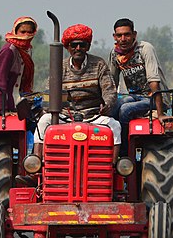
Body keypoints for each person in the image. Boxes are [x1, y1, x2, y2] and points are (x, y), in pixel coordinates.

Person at [33, 24, 121, 161]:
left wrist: (107, 104)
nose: (78, 49)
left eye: (82, 45)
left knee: (115, 126)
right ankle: (37, 165)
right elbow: (49, 94)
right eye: (74, 45)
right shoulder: (59, 67)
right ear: (68, 47)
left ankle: (113, 167)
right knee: (43, 122)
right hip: (66, 116)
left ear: (88, 46)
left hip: (92, 116)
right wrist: (53, 106)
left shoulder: (98, 64)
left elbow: (109, 91)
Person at [109, 18, 171, 155]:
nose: (123, 39)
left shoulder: (144, 49)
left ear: (134, 35)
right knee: (115, 107)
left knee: (126, 109)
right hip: (135, 96)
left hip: (155, 98)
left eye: (127, 34)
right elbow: (111, 83)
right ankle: (107, 150)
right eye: (119, 35)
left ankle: (124, 153)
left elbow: (154, 81)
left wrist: (160, 114)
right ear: (114, 37)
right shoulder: (115, 54)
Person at [0, 16, 37, 115]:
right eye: (23, 32)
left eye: (29, 32)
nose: (26, 35)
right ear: (16, 32)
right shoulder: (9, 51)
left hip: (15, 101)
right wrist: (2, 109)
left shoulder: (26, 51)